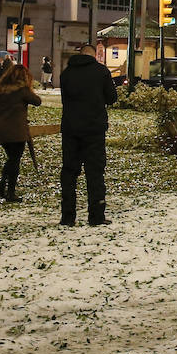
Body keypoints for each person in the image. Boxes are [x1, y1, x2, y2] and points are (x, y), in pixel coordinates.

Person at [58, 43, 118, 227]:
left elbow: (64, 100)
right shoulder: (101, 72)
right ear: (93, 56)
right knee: (95, 173)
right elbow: (112, 98)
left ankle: (68, 216)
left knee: (69, 172)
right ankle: (96, 216)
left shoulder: (66, 74)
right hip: (94, 130)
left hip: (70, 129)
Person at [0, 61, 42, 202]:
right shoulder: (22, 91)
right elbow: (37, 101)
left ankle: (2, 186)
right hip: (17, 131)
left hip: (2, 130)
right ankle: (9, 190)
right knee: (14, 160)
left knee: (11, 159)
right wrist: (29, 89)